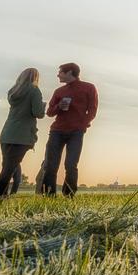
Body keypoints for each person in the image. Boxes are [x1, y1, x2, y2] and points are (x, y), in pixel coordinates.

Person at [42, 62, 98, 198]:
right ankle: (48, 196)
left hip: (76, 132)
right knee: (50, 165)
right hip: (57, 131)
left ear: (69, 72)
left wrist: (83, 124)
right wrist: (58, 107)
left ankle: (69, 195)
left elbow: (92, 109)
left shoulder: (89, 88)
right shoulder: (59, 91)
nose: (57, 75)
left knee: (71, 165)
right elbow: (49, 112)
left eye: (60, 72)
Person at [0, 68, 45, 197]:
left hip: (7, 132)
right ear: (35, 77)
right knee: (10, 167)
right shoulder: (34, 90)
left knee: (6, 165)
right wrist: (43, 106)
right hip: (22, 134)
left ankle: (2, 195)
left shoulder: (13, 91)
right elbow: (38, 113)